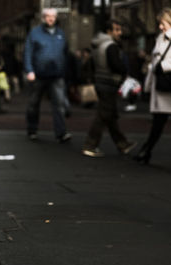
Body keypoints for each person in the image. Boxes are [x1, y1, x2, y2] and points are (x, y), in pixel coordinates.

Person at [81, 19, 136, 157]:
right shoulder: (110, 46)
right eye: (116, 30)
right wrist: (125, 71)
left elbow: (91, 65)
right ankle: (90, 145)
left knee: (110, 115)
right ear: (109, 31)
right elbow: (116, 65)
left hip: (100, 81)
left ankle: (122, 143)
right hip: (108, 83)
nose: (120, 32)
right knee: (103, 115)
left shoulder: (98, 45)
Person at [24, 8, 71, 142]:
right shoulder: (35, 33)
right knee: (33, 103)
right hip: (38, 75)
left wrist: (64, 70)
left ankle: (61, 133)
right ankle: (32, 129)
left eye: (53, 16)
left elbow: (65, 53)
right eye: (48, 16)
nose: (50, 19)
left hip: (56, 75)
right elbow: (28, 52)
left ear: (56, 18)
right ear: (43, 18)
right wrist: (29, 70)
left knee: (59, 104)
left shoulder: (61, 33)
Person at [135, 8, 171, 164]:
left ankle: (146, 150)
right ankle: (146, 150)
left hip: (169, 84)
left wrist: (163, 66)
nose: (160, 27)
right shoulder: (160, 38)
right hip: (161, 86)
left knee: (158, 122)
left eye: (162, 23)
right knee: (158, 122)